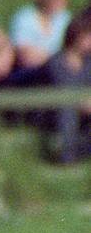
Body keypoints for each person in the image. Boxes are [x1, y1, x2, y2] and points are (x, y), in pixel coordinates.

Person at [41, 13, 91, 162]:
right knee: (67, 109)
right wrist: (82, 102)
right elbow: (63, 90)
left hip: (84, 109)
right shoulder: (57, 62)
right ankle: (66, 156)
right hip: (54, 111)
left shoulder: (88, 63)